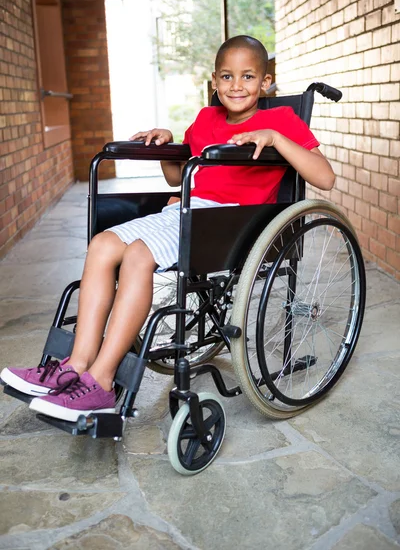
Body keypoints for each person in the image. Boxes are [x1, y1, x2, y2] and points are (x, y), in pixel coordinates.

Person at [1, 35, 335, 422]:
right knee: (103, 245)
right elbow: (179, 177)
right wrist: (168, 144)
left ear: (266, 82)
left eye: (248, 77)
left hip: (232, 220)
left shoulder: (279, 120)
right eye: (227, 76)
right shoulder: (206, 119)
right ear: (214, 81)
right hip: (188, 208)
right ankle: (75, 364)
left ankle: (102, 381)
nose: (236, 85)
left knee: (140, 254)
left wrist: (276, 139)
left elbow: (324, 178)